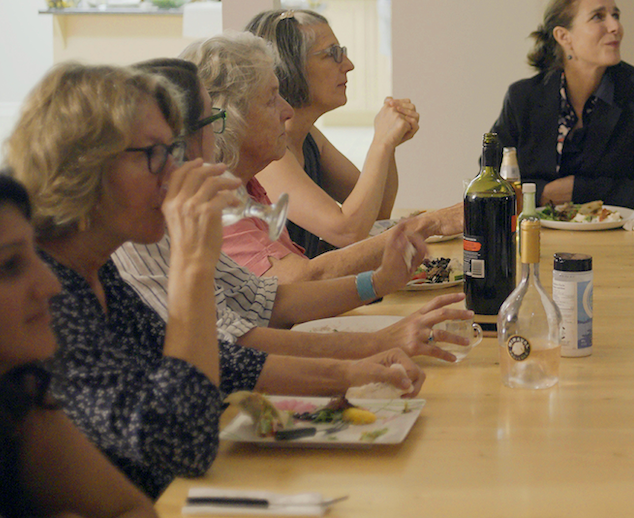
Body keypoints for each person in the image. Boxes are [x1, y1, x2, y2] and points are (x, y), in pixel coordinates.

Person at [2, 63, 425, 498]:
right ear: (83, 167)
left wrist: (352, 373)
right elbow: (182, 443)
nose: (175, 173)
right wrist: (192, 263)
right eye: (155, 155)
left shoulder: (94, 268)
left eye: (175, 149)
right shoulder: (43, 293)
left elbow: (220, 363)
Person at [115, 57, 473, 363]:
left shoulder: (228, 189)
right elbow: (230, 350)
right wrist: (374, 344)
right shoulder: (161, 227)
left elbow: (263, 300)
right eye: (272, 98)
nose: (287, 110)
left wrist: (378, 282)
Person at [0, 167, 156, 517]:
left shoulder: (16, 393)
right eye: (9, 266)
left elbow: (133, 510)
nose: (51, 284)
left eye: (35, 253)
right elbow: (176, 436)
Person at [180, 33, 460, 282]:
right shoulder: (212, 200)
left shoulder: (247, 182)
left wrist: (378, 284)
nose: (286, 110)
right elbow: (308, 274)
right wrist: (426, 225)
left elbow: (377, 213)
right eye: (332, 53)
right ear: (231, 117)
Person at [245, 9, 423, 258]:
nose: (348, 66)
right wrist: (380, 144)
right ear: (289, 65)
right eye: (333, 54)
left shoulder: (308, 136)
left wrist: (389, 143)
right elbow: (347, 231)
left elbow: (376, 213)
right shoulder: (268, 155)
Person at [489, 0, 634, 209]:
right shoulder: (523, 97)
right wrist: (544, 193)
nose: (615, 26)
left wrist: (578, 190)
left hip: (617, 238)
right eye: (598, 17)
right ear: (563, 36)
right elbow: (490, 183)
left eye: (615, 15)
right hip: (536, 234)